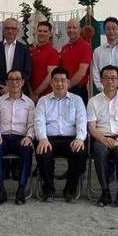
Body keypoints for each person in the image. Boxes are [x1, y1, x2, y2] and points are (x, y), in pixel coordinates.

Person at [34, 67, 87, 202]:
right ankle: (48, 191)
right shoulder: (43, 101)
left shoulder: (77, 100)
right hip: (49, 139)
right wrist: (43, 138)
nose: (59, 84)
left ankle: (70, 190)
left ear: (68, 82)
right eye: (56, 80)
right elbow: (39, 122)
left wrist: (80, 139)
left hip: (71, 139)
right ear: (51, 83)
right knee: (43, 152)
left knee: (79, 152)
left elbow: (82, 121)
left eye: (63, 80)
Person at [87, 65, 118, 207]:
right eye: (106, 78)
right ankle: (105, 191)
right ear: (101, 80)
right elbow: (92, 127)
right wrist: (103, 139)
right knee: (100, 151)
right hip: (101, 137)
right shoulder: (93, 101)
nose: (110, 81)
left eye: (113, 78)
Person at [0, 69, 35, 205]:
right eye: (11, 79)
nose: (15, 82)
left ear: (22, 82)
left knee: (27, 149)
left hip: (20, 138)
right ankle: (1, 188)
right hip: (3, 137)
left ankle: (21, 189)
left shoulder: (29, 103)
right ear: (6, 82)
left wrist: (29, 137)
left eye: (17, 79)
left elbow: (32, 125)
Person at [0, 18, 32, 102]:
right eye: (7, 28)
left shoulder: (24, 49)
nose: (10, 31)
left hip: (19, 93)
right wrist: (2, 87)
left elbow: (27, 72)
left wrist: (14, 87)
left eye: (13, 28)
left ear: (17, 30)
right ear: (3, 30)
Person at [60, 18, 93, 101]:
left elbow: (82, 72)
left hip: (78, 90)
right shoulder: (64, 48)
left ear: (80, 30)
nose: (71, 30)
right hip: (65, 89)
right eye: (69, 27)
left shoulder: (85, 47)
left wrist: (67, 86)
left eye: (74, 28)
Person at [29, 21, 60, 100]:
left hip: (46, 96)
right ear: (36, 32)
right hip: (30, 94)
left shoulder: (52, 52)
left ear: (50, 34)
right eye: (40, 31)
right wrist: (30, 93)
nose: (42, 33)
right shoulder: (32, 51)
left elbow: (51, 75)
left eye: (45, 31)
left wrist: (36, 93)